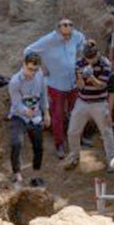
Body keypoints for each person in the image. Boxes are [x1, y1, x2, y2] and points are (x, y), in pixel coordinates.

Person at [24, 19, 85, 159]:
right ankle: (59, 144)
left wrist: (80, 56)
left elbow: (82, 42)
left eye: (71, 24)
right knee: (57, 116)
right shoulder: (48, 40)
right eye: (65, 25)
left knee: (76, 112)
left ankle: (78, 139)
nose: (68, 27)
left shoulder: (76, 36)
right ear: (58, 28)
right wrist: (40, 67)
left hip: (73, 83)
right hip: (56, 85)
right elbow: (28, 51)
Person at [64, 40, 114, 171]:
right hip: (82, 101)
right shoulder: (79, 63)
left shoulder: (105, 64)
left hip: (99, 102)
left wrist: (91, 76)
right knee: (73, 131)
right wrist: (81, 77)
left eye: (92, 58)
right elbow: (80, 85)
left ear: (97, 54)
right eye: (87, 58)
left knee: (106, 132)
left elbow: (102, 85)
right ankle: (74, 156)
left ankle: (112, 161)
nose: (90, 60)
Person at [8, 51, 49, 188]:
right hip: (19, 116)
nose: (31, 73)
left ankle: (35, 176)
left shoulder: (40, 76)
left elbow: (43, 95)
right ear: (24, 64)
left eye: (35, 70)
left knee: (38, 146)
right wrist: (26, 112)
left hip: (36, 116)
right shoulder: (15, 82)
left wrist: (46, 113)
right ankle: (17, 176)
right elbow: (16, 103)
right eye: (29, 69)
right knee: (16, 143)